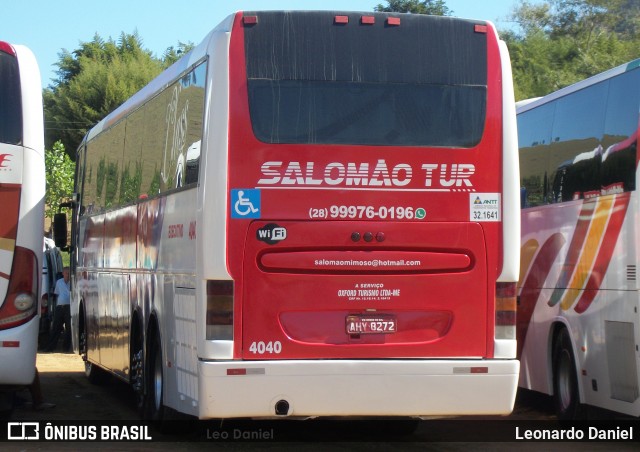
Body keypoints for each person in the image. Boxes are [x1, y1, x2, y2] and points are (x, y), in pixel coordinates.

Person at [43, 267, 71, 352]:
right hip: (60, 306)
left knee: (69, 328)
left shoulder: (72, 283)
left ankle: (66, 347)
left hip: (68, 306)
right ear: (63, 273)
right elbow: (56, 294)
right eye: (66, 273)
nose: (67, 275)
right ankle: (51, 347)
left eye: (69, 273)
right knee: (56, 327)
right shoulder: (59, 282)